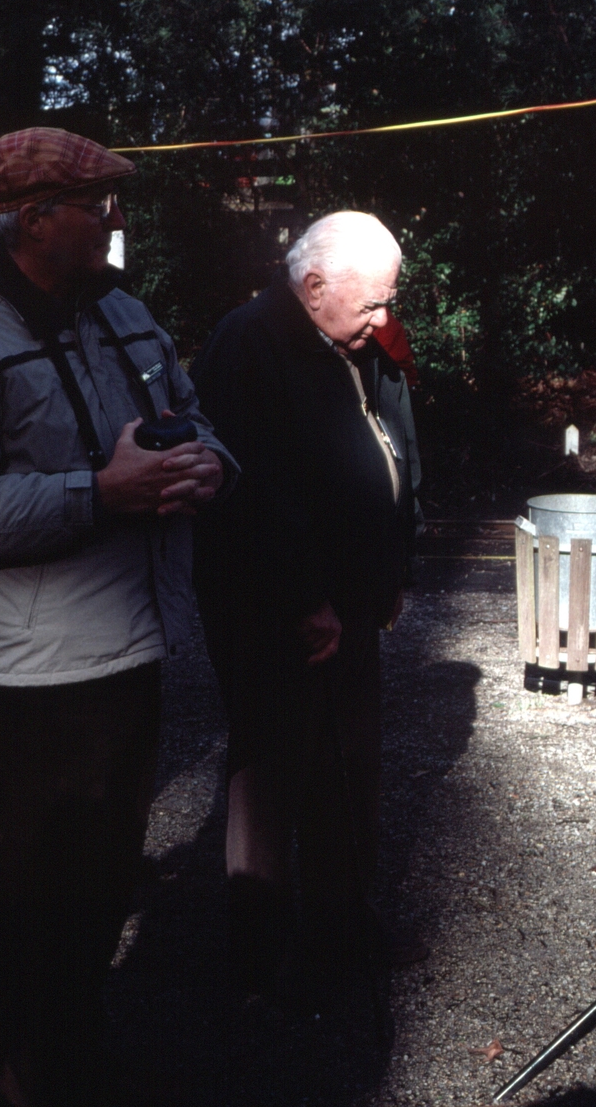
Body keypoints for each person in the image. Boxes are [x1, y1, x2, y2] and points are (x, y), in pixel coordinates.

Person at [0, 127, 238, 1107]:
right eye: (98, 204)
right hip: (35, 681)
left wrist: (207, 460)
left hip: (132, 650)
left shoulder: (121, 309)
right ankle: (21, 1076)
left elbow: (188, 414)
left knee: (97, 893)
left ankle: (73, 1056)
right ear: (34, 217)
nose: (115, 220)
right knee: (33, 903)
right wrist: (106, 491)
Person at [190, 210, 424, 1009]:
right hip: (276, 610)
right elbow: (246, 493)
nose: (384, 320)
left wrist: (397, 557)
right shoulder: (248, 342)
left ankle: (339, 932)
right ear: (313, 285)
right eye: (371, 304)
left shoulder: (363, 337)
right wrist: (303, 601)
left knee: (349, 773)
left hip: (353, 601)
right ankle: (256, 964)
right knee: (271, 777)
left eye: (389, 301)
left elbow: (398, 445)